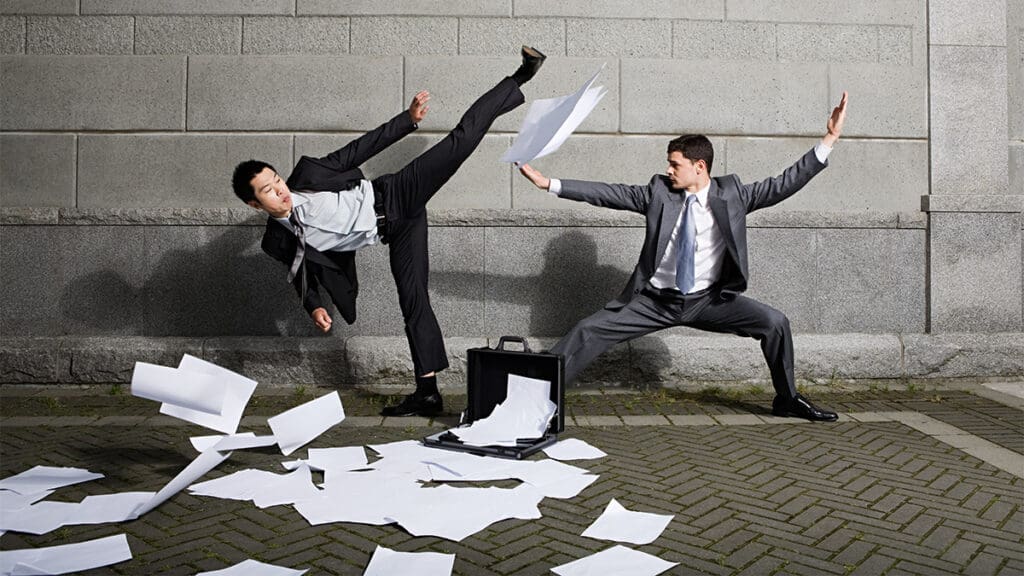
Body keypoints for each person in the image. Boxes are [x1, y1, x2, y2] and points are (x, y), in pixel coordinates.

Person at [233, 47, 547, 417]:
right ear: (255, 205)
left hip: (395, 193)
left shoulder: (309, 175)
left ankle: (520, 76)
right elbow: (300, 274)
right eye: (268, 190)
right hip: (396, 231)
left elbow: (358, 150)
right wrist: (315, 306)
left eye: (277, 179)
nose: (280, 189)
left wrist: (408, 120)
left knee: (460, 141)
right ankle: (427, 392)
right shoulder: (277, 241)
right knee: (413, 301)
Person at [518, 92, 849, 422]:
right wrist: (549, 183)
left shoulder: (733, 194)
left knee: (775, 323)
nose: (668, 169)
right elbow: (609, 193)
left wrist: (829, 138)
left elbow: (784, 184)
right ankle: (532, 399)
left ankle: (787, 399)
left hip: (708, 301)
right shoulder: (659, 193)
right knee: (587, 331)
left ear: (699, 167)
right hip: (654, 303)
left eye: (675, 164)